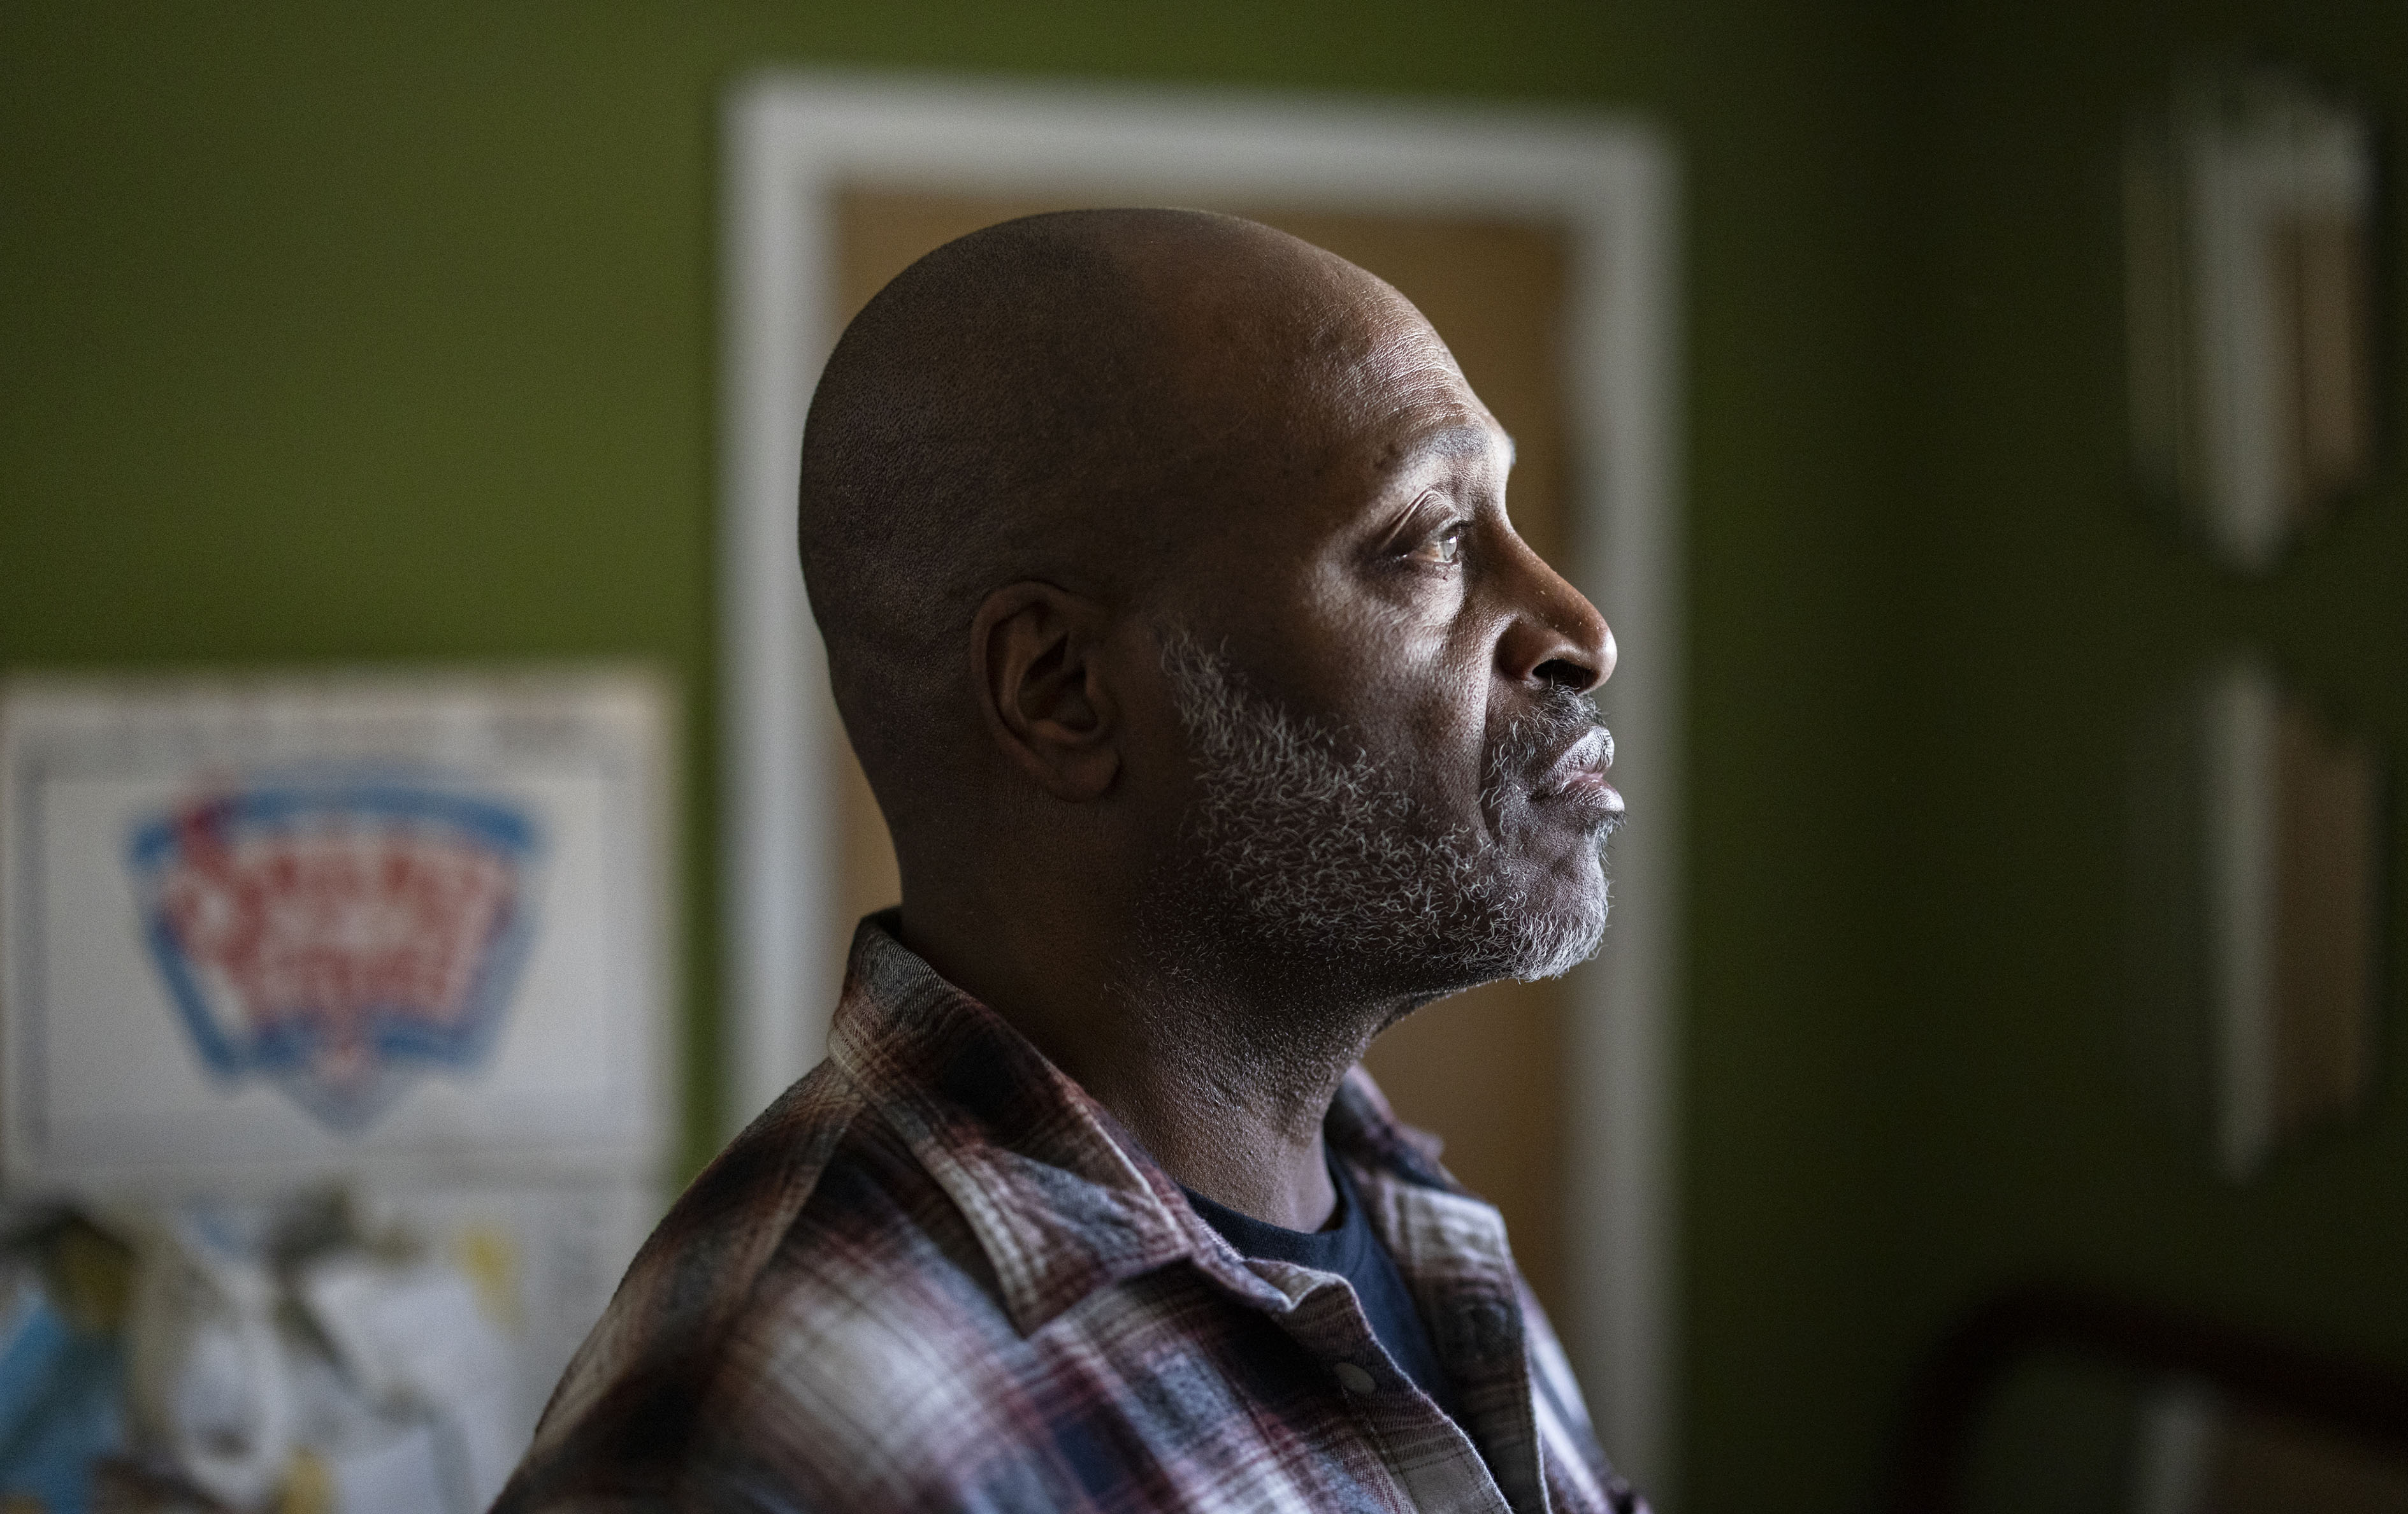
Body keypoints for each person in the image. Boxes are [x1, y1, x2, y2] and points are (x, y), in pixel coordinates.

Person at [493, 210, 1647, 1513]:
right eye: (1429, 535)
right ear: (1063, 690)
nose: (1578, 630)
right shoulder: (772, 1438)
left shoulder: (1420, 1237)